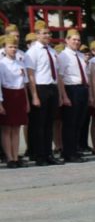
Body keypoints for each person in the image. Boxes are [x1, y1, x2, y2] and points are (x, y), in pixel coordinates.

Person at [24, 23, 69, 165]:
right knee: (39, 124)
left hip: (52, 87)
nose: (47, 36)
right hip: (40, 88)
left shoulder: (52, 50)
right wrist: (35, 95)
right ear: (37, 35)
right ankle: (39, 156)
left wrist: (60, 95)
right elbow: (30, 75)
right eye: (44, 33)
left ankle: (49, 154)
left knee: (49, 123)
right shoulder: (32, 52)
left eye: (49, 33)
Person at [57, 29, 92, 162]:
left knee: (79, 122)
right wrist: (64, 96)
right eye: (74, 39)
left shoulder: (81, 56)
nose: (76, 42)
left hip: (82, 88)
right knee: (70, 123)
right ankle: (68, 152)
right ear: (67, 40)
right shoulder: (63, 56)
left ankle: (75, 149)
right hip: (71, 89)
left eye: (78, 40)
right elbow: (60, 77)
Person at [0, 34, 29, 168]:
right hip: (7, 94)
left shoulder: (20, 63)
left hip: (19, 95)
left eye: (15, 46)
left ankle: (16, 156)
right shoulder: (1, 64)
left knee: (16, 128)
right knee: (7, 128)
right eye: (10, 47)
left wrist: (27, 102)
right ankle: (9, 158)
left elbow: (23, 84)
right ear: (4, 48)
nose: (13, 49)